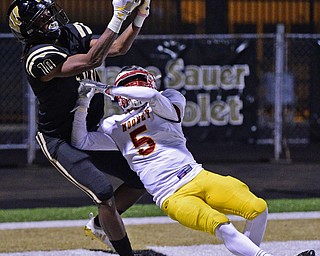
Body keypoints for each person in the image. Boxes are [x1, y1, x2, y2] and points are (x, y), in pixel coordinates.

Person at [71, 65, 315, 256]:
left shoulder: (168, 99)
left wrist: (107, 89)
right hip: (171, 195)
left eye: (137, 82)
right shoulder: (113, 125)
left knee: (258, 208)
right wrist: (82, 104)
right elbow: (80, 141)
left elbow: (151, 96)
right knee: (222, 225)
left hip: (197, 176)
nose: (135, 87)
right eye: (129, 84)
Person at [7, 1, 151, 255]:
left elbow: (116, 47)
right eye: (41, 19)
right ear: (30, 30)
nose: (50, 19)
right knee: (103, 192)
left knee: (140, 179)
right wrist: (117, 17)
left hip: (88, 129)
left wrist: (139, 15)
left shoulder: (72, 32)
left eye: (48, 13)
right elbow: (90, 61)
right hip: (60, 139)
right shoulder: (37, 56)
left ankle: (99, 226)